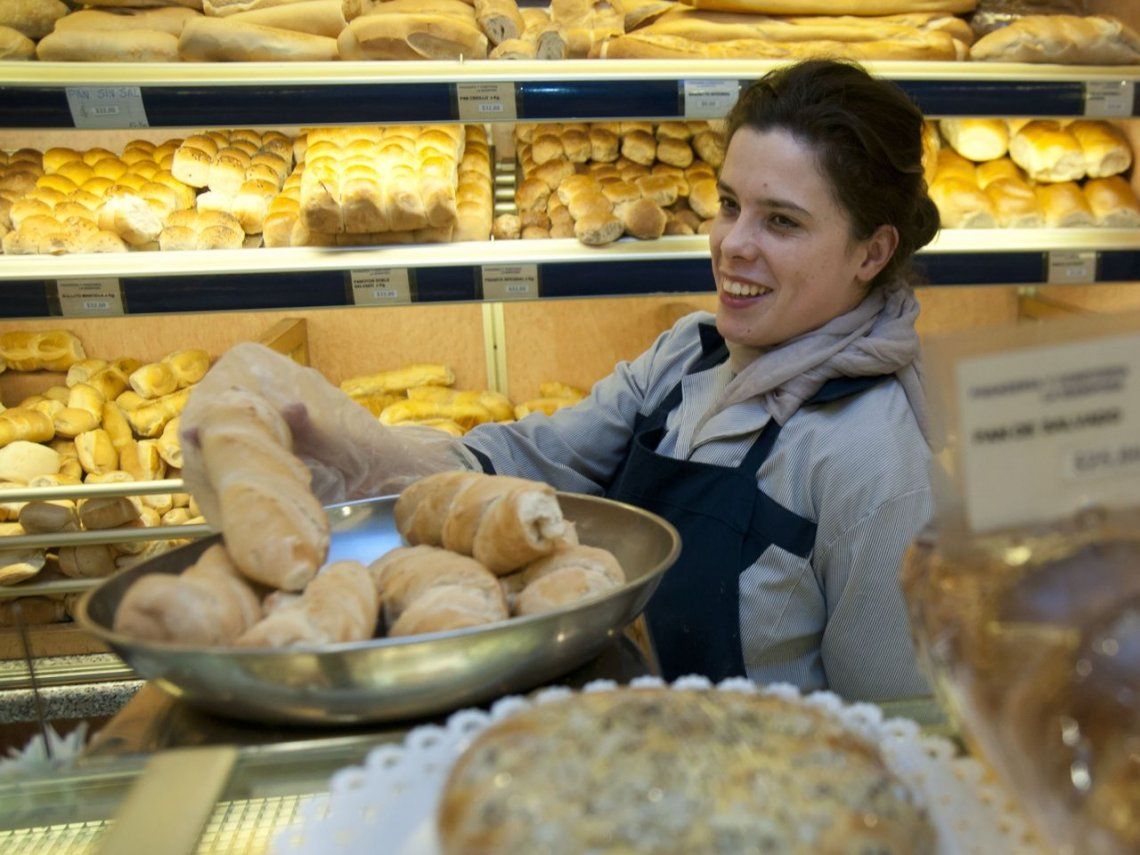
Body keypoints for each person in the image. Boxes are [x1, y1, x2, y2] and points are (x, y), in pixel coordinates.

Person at [181, 59, 939, 702]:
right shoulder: (689, 358)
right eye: (731, 205)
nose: (732, 245)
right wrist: (346, 446)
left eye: (781, 222)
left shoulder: (873, 457)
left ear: (871, 253)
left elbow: (901, 727)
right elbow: (528, 458)